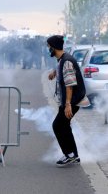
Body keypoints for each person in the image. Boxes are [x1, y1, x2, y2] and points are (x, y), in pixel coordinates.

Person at [47, 35, 86, 167]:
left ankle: (69, 155)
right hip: (68, 101)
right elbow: (63, 70)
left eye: (49, 47)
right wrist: (55, 72)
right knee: (64, 126)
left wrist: (68, 104)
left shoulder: (67, 61)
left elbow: (70, 84)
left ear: (54, 47)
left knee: (57, 126)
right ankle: (73, 154)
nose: (48, 49)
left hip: (72, 101)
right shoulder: (63, 59)